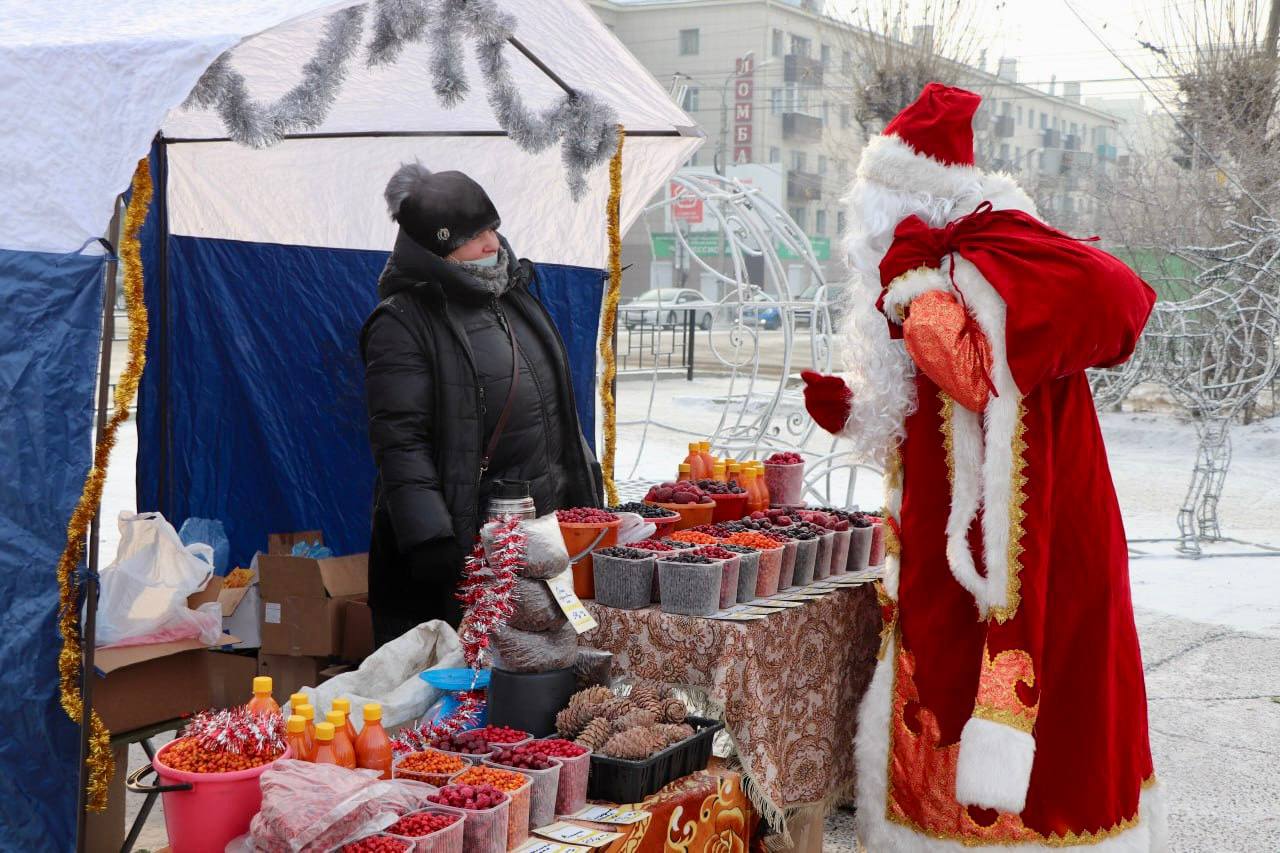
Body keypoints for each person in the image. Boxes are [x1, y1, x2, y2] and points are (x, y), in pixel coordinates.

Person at [804, 84, 1168, 851]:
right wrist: (856, 407)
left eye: (877, 212)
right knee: (940, 701)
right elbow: (930, 403)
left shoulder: (987, 259)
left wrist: (910, 285)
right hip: (954, 554)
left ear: (905, 203)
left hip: (1036, 550)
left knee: (1039, 748)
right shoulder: (948, 264)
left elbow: (973, 373)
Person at [361, 163, 602, 647]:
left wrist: (584, 498)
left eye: (491, 227)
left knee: (547, 665)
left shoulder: (512, 295)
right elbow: (400, 441)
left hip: (539, 534)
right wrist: (432, 541)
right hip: (467, 545)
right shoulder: (402, 323)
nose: (493, 243)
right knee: (472, 689)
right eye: (474, 236)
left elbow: (559, 416)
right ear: (440, 247)